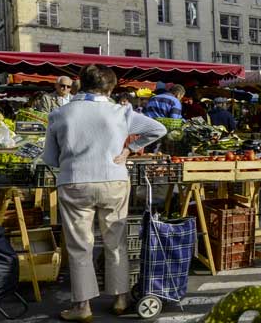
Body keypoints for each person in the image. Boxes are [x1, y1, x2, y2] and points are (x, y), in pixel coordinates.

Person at [42, 65, 167, 321]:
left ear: (80, 83)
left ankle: (83, 306)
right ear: (110, 88)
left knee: (80, 246)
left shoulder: (60, 113)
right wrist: (130, 149)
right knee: (115, 241)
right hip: (114, 180)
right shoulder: (121, 112)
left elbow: (51, 159)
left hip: (75, 182)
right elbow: (158, 129)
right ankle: (120, 298)